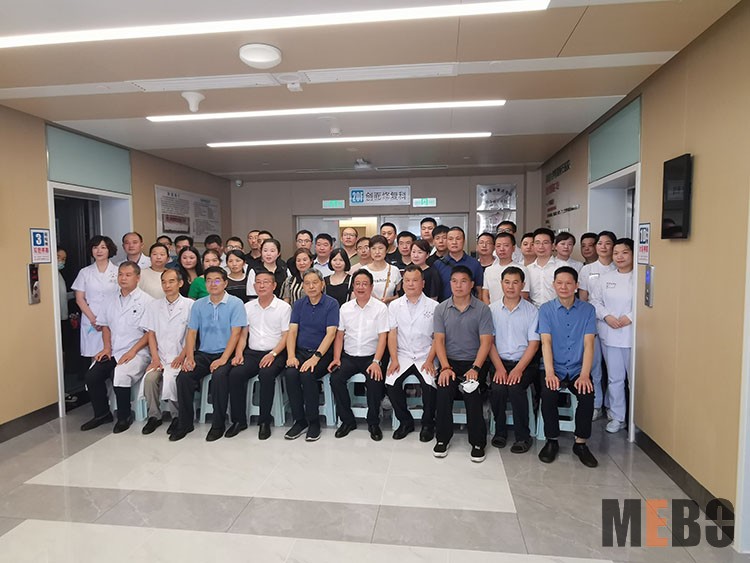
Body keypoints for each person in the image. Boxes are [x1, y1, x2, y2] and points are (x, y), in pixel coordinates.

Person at [169, 266, 247, 442]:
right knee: (184, 377)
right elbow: (191, 333)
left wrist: (223, 359)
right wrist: (189, 357)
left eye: (217, 280)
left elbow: (236, 334)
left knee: (219, 377)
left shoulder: (235, 303)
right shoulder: (198, 305)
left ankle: (218, 424)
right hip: (204, 353)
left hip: (226, 353)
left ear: (225, 283)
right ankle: (185, 423)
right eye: (209, 280)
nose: (213, 284)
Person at [80, 261, 153, 433]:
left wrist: (132, 351)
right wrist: (107, 348)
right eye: (121, 274)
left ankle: (124, 417)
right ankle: (102, 414)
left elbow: (149, 333)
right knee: (92, 375)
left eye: (128, 275)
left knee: (121, 373)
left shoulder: (147, 301)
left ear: (137, 278)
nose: (123, 278)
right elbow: (105, 326)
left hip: (138, 351)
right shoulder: (110, 299)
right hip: (114, 350)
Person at [537, 266, 598, 468]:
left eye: (568, 283)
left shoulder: (588, 310)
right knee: (548, 394)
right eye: (559, 283)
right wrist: (550, 373)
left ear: (576, 285)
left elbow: (589, 344)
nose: (564, 287)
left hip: (578, 368)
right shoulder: (545, 310)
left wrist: (585, 374)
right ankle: (551, 440)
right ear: (553, 285)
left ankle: (580, 443)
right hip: (554, 367)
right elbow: (545, 342)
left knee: (587, 395)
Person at [433, 266, 494, 462]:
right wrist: (444, 367)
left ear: (472, 284)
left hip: (474, 362)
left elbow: (486, 342)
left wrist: (475, 368)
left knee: (472, 392)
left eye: (463, 281)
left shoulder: (482, 309)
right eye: (454, 281)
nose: (458, 285)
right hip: (449, 361)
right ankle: (442, 438)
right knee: (444, 390)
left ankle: (477, 442)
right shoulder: (441, 309)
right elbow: (439, 340)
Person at [227, 270, 291, 439]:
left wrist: (273, 353)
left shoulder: (283, 307)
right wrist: (238, 353)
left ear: (274, 285)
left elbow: (286, 336)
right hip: (252, 353)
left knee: (266, 374)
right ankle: (239, 421)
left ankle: (264, 421)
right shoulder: (248, 307)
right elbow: (243, 334)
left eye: (266, 282)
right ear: (254, 286)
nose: (262, 286)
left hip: (276, 353)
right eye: (258, 282)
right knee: (235, 374)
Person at [329, 270, 389, 441]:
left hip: (371, 356)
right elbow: (339, 335)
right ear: (353, 287)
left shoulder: (380, 308)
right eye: (357, 284)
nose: (361, 287)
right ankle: (347, 421)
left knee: (375, 380)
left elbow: (383, 337)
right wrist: (336, 358)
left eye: (364, 284)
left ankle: (373, 422)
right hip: (349, 356)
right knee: (336, 378)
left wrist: (376, 361)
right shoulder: (345, 308)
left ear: (371, 287)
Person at [487, 267, 540, 453]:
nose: (511, 287)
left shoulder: (532, 311)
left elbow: (534, 345)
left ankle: (523, 436)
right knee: (498, 389)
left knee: (516, 388)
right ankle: (500, 432)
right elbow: (489, 343)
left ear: (523, 285)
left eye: (515, 282)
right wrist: (500, 368)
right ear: (501, 284)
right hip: (499, 362)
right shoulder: (491, 310)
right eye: (507, 282)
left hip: (524, 363)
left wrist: (518, 369)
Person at [283, 269, 340, 442]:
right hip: (301, 351)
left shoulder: (331, 304)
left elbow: (331, 334)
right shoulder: (299, 305)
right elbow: (292, 332)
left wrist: (315, 358)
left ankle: (314, 422)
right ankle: (299, 421)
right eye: (307, 283)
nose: (311, 286)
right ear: (303, 286)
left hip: (323, 353)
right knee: (291, 373)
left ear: (322, 284)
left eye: (315, 282)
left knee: (307, 374)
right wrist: (291, 355)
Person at [386, 265, 439, 441]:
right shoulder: (395, 305)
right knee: (391, 383)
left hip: (426, 354)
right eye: (407, 281)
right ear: (402, 284)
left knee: (429, 385)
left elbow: (437, 338)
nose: (410, 284)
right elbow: (392, 334)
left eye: (415, 280)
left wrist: (430, 360)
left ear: (423, 283)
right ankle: (405, 422)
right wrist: (394, 359)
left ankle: (428, 424)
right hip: (402, 354)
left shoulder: (434, 306)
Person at [141, 268, 194, 435]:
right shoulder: (153, 306)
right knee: (150, 379)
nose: (167, 285)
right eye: (164, 282)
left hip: (181, 355)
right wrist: (155, 358)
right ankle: (154, 416)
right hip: (161, 356)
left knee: (171, 378)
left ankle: (176, 416)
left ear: (180, 283)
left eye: (171, 281)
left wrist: (182, 355)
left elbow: (192, 335)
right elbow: (151, 334)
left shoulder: (190, 305)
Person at [590, 238, 634, 434]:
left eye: (624, 252)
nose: (619, 257)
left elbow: (647, 302)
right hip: (610, 334)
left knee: (634, 380)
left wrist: (630, 317)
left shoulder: (639, 278)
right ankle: (618, 417)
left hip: (633, 336)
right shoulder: (605, 278)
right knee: (615, 379)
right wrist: (607, 316)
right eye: (616, 253)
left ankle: (636, 418)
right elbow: (595, 301)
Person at [578, 230, 616, 419]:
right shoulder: (587, 270)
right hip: (592, 323)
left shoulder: (619, 268)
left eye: (607, 243)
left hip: (614, 324)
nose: (602, 247)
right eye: (599, 243)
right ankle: (596, 404)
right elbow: (583, 299)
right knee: (594, 367)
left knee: (613, 369)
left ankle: (611, 406)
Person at [72, 235, 120, 359]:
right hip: (91, 317)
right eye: (95, 247)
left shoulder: (118, 271)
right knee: (94, 356)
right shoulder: (84, 272)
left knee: (114, 354)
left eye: (103, 247)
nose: (99, 251)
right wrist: (93, 319)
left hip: (113, 317)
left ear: (109, 250)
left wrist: (106, 320)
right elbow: (79, 299)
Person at [434, 226, 484, 301]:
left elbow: (479, 290)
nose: (454, 242)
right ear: (447, 241)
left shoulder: (475, 264)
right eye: (450, 239)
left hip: (469, 306)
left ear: (464, 241)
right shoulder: (438, 264)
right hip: (445, 306)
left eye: (458, 239)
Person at [482, 232, 530, 304]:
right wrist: (490, 309)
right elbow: (485, 295)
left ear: (513, 248)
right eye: (498, 246)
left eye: (506, 245)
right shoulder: (489, 270)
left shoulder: (522, 269)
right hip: (493, 309)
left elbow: (524, 295)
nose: (502, 249)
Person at [527, 228, 560, 308]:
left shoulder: (562, 267)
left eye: (545, 243)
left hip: (557, 310)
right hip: (534, 311)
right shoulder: (528, 269)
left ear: (553, 246)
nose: (541, 246)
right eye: (537, 243)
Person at [363, 235, 401, 305]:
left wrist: (389, 299)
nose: (377, 252)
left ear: (386, 250)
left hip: (389, 309)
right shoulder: (363, 271)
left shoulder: (394, 270)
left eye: (380, 248)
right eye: (373, 248)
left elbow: (400, 295)